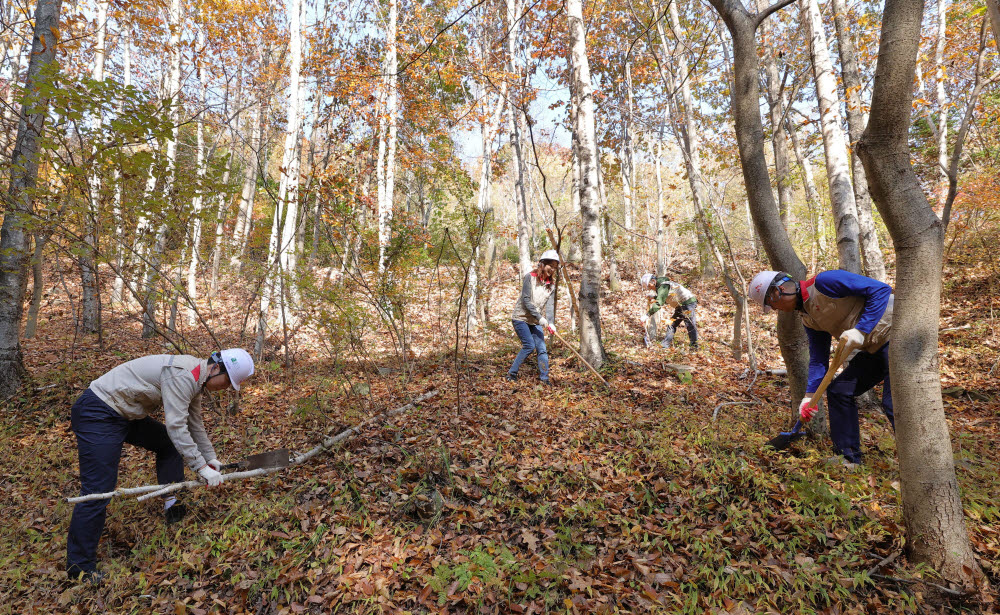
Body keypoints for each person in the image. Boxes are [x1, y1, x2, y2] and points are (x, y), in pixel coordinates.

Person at [66, 349, 255, 584]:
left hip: (126, 413)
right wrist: (200, 468)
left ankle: (173, 504)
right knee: (98, 489)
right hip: (98, 412)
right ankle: (79, 567)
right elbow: (177, 426)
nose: (226, 388)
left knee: (168, 445)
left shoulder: (197, 378)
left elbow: (194, 423)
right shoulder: (183, 376)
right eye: (227, 381)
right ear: (216, 368)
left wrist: (210, 458)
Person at [749, 270, 895, 466]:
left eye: (771, 304)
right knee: (839, 391)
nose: (775, 310)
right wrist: (809, 396)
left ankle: (920, 463)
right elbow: (818, 359)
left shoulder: (825, 282)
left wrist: (861, 329)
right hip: (875, 347)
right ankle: (849, 458)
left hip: (896, 334)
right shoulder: (807, 318)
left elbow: (881, 290)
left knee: (894, 403)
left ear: (778, 291)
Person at [507, 250, 560, 385]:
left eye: (555, 267)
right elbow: (526, 300)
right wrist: (540, 318)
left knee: (542, 348)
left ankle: (544, 378)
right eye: (550, 266)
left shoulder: (551, 285)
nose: (552, 269)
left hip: (535, 320)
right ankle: (511, 374)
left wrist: (551, 322)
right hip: (521, 317)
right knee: (529, 345)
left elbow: (549, 306)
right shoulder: (529, 277)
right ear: (542, 264)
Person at [641, 273, 699, 350]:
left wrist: (647, 315)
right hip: (680, 305)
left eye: (649, 286)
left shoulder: (663, 286)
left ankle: (694, 347)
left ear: (653, 281)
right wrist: (654, 297)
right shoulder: (661, 287)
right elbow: (664, 298)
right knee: (671, 324)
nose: (650, 289)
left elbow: (659, 304)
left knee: (690, 324)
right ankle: (665, 345)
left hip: (688, 303)